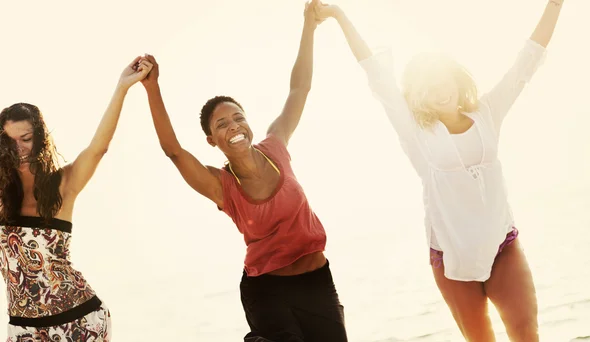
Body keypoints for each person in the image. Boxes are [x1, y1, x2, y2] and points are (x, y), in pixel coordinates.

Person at [316, 1, 564, 341]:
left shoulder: (487, 113)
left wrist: (555, 4)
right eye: (427, 86)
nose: (439, 90)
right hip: (451, 258)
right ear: (417, 95)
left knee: (525, 332)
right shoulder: (415, 133)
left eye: (441, 79)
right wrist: (340, 16)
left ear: (454, 78)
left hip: (502, 246)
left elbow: (527, 60)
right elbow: (374, 70)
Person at [141, 1, 347, 341]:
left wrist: (309, 27)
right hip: (268, 291)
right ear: (212, 140)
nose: (234, 126)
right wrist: (152, 87)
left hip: (316, 282)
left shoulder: (276, 147)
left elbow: (300, 89)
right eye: (222, 124)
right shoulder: (221, 186)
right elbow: (174, 151)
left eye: (238, 117)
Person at [0, 56, 153, 341]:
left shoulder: (63, 184)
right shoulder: (2, 194)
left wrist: (121, 87)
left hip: (80, 322)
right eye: (9, 140)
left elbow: (98, 147)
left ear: (40, 139)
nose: (18, 148)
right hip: (23, 329)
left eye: (26, 138)